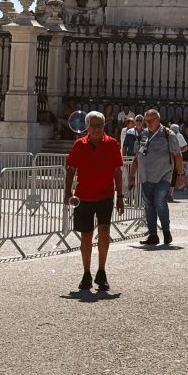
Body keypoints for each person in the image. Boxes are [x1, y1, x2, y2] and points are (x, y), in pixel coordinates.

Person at [65, 110, 125, 291]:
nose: (98, 129)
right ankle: (86, 273)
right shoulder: (78, 145)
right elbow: (71, 170)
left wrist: (120, 196)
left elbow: (117, 171)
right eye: (94, 125)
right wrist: (67, 192)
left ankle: (101, 271)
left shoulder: (112, 144)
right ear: (87, 127)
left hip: (105, 194)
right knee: (86, 235)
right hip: (83, 195)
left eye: (101, 125)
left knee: (105, 232)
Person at [128, 109, 184, 245]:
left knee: (160, 201)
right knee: (148, 205)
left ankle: (166, 232)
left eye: (150, 120)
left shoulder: (168, 134)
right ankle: (153, 235)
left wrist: (181, 175)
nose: (147, 123)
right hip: (146, 176)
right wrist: (131, 175)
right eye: (146, 121)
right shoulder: (142, 135)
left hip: (163, 175)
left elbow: (177, 155)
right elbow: (137, 157)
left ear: (158, 120)